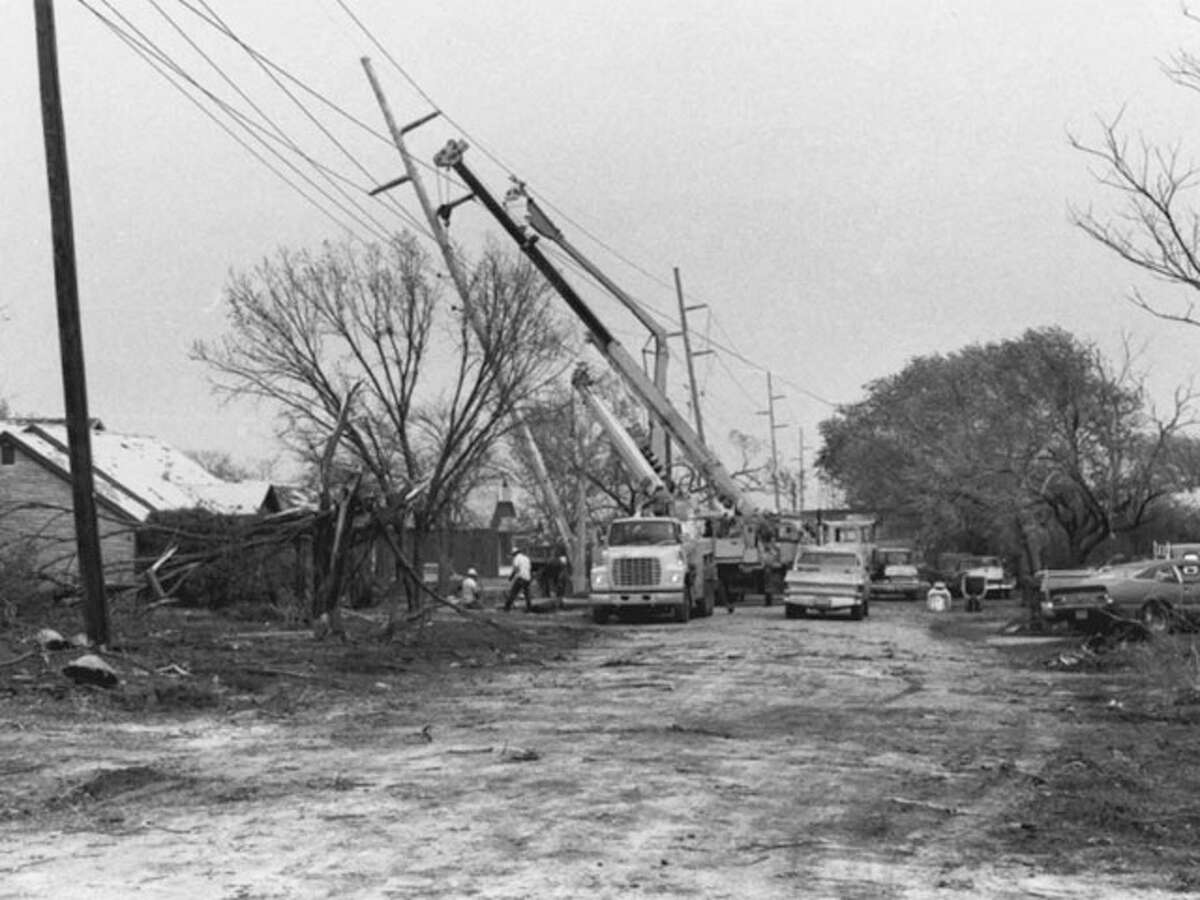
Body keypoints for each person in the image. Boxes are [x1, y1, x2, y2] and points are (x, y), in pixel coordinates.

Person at [506, 547, 533, 612]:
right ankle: (529, 608)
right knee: (527, 594)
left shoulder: (516, 558)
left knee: (513, 592)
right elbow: (529, 568)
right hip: (528, 578)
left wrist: (510, 577)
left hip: (521, 577)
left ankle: (507, 607)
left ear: (514, 554)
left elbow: (515, 569)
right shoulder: (526, 558)